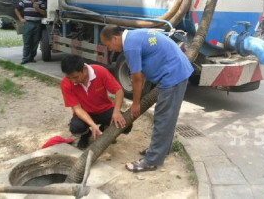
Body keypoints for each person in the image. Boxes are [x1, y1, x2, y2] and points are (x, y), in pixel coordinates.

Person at [100, 25, 194, 173]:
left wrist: (136, 103)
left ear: (115, 38)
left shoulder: (130, 46)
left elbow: (137, 78)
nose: (110, 48)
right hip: (177, 70)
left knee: (163, 117)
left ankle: (152, 161)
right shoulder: (134, 36)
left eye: (108, 45)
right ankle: (161, 150)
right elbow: (141, 75)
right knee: (167, 116)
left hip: (174, 74)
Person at [60, 54, 132, 149]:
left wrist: (117, 111)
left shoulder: (100, 71)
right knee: (76, 127)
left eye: (75, 77)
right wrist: (93, 125)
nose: (73, 81)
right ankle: (86, 135)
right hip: (85, 113)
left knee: (126, 125)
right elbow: (78, 109)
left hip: (105, 109)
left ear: (84, 69)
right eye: (69, 78)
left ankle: (105, 128)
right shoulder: (66, 83)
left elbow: (118, 91)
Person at [14, 0, 46, 65]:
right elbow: (16, 10)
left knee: (35, 42)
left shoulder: (40, 1)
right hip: (28, 23)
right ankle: (25, 58)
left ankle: (31, 58)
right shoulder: (24, 1)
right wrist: (21, 19)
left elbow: (44, 13)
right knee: (27, 42)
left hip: (38, 24)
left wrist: (37, 8)